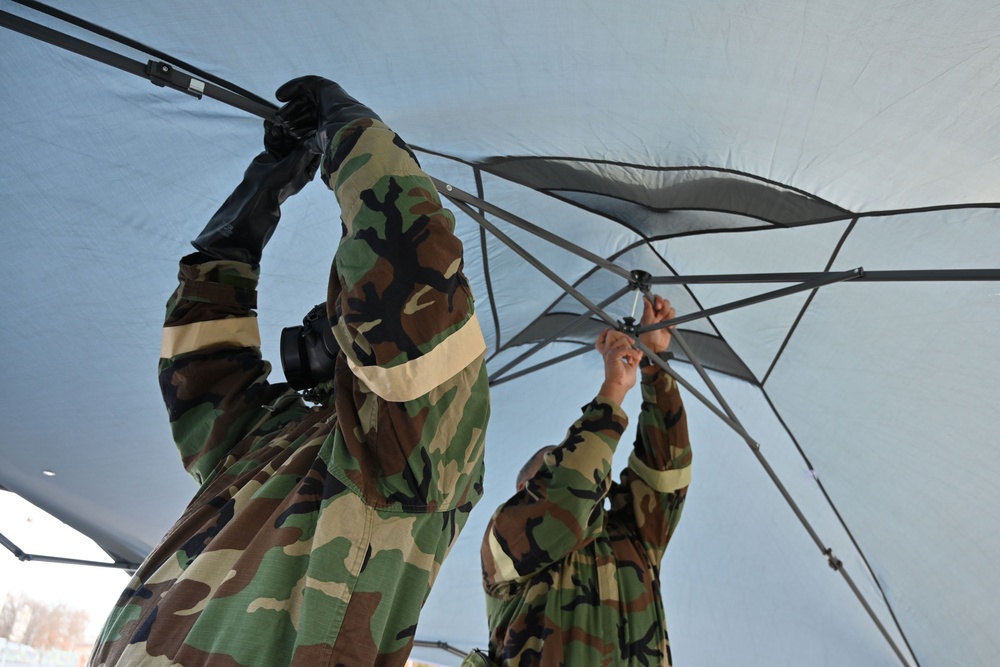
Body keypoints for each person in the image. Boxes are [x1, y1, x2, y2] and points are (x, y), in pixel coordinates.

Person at [89, 76, 490, 667]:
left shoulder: (412, 448)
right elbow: (201, 367)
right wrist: (251, 209)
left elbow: (410, 267)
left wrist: (354, 136)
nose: (322, 327)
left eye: (341, 316)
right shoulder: (274, 442)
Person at [478, 295, 691, 666]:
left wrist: (654, 365)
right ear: (522, 492)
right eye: (549, 465)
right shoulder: (507, 540)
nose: (579, 462)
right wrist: (613, 390)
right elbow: (568, 491)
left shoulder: (632, 536)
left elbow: (666, 469)